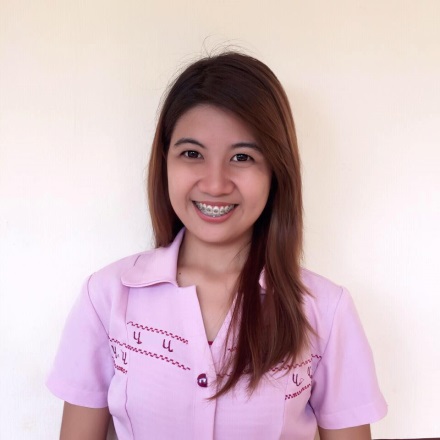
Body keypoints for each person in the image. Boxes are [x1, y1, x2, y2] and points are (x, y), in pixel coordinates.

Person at [47, 52, 387, 439]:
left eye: (242, 157)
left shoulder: (326, 310)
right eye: (192, 154)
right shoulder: (107, 297)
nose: (215, 184)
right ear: (165, 161)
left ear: (275, 170)